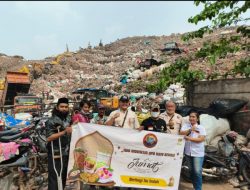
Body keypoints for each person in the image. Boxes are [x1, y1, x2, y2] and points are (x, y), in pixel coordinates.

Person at [45, 97, 72, 190]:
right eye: (62, 106)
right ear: (57, 107)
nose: (64, 109)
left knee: (63, 175)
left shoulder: (68, 119)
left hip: (66, 152)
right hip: (55, 152)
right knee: (54, 178)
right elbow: (49, 137)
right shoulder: (51, 121)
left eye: (66, 107)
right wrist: (64, 132)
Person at [180, 111, 206, 190]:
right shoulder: (186, 126)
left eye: (193, 117)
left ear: (197, 119)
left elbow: (201, 139)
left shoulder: (201, 127)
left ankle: (198, 188)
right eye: (190, 116)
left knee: (197, 172)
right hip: (188, 152)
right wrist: (190, 130)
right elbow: (181, 133)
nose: (191, 118)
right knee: (191, 171)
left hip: (198, 153)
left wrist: (189, 138)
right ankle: (195, 186)